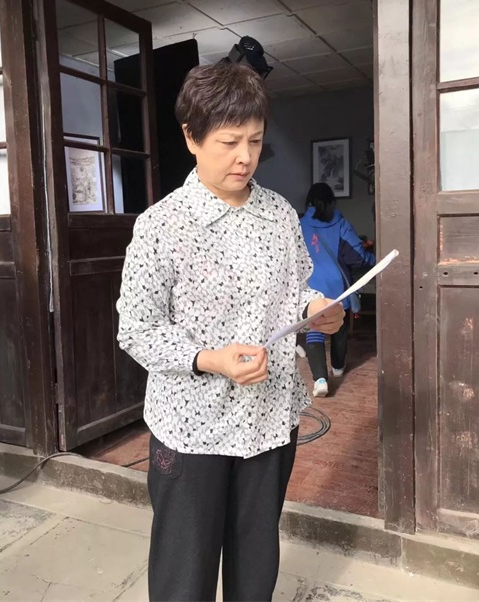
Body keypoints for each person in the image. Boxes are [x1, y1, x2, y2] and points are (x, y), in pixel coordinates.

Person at [116, 63, 345, 602]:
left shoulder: (280, 215)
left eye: (255, 141)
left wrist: (318, 308)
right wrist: (209, 359)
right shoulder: (161, 226)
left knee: (255, 563)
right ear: (191, 138)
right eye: (229, 142)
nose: (245, 157)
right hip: (192, 426)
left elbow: (296, 289)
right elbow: (137, 328)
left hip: (269, 419)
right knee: (184, 574)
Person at [300, 183, 375, 398]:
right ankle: (338, 367)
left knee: (315, 329)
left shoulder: (298, 224)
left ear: (309, 202)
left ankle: (320, 380)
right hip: (338, 286)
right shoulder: (341, 224)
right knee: (339, 326)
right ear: (331, 201)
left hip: (310, 286)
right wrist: (374, 259)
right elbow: (356, 257)